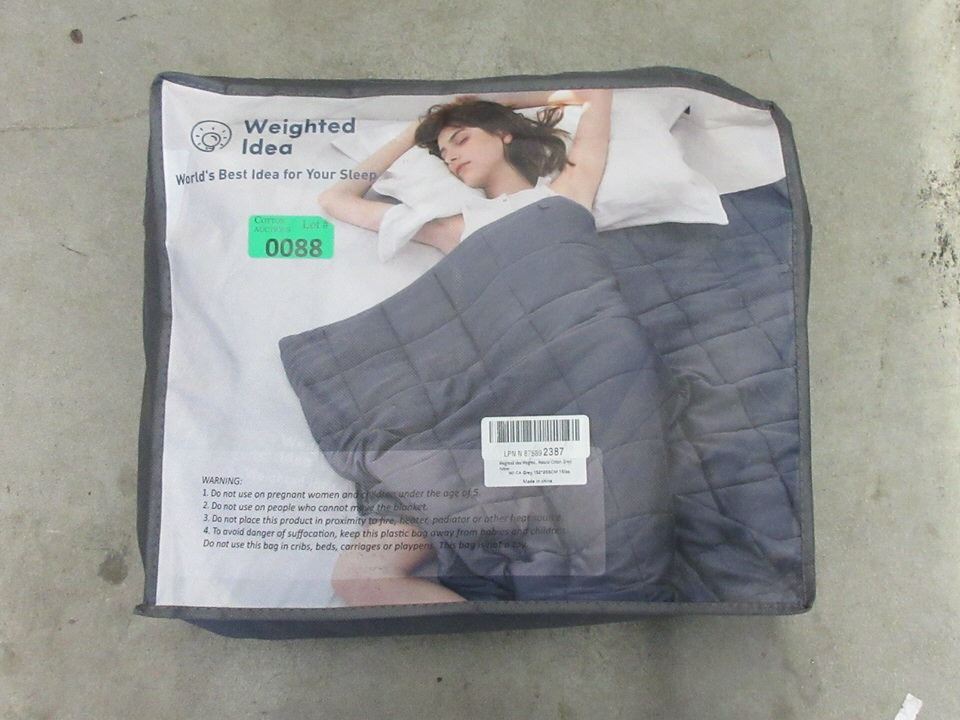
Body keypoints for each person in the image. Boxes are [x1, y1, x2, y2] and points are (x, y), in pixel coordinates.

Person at [323, 89, 613, 606]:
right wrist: (412, 134)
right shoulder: (454, 227)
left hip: (576, 371)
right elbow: (336, 200)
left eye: (460, 140)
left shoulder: (567, 193)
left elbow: (594, 93)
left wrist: (471, 101)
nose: (452, 156)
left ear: (504, 134)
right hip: (482, 391)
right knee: (359, 578)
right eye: (443, 153)